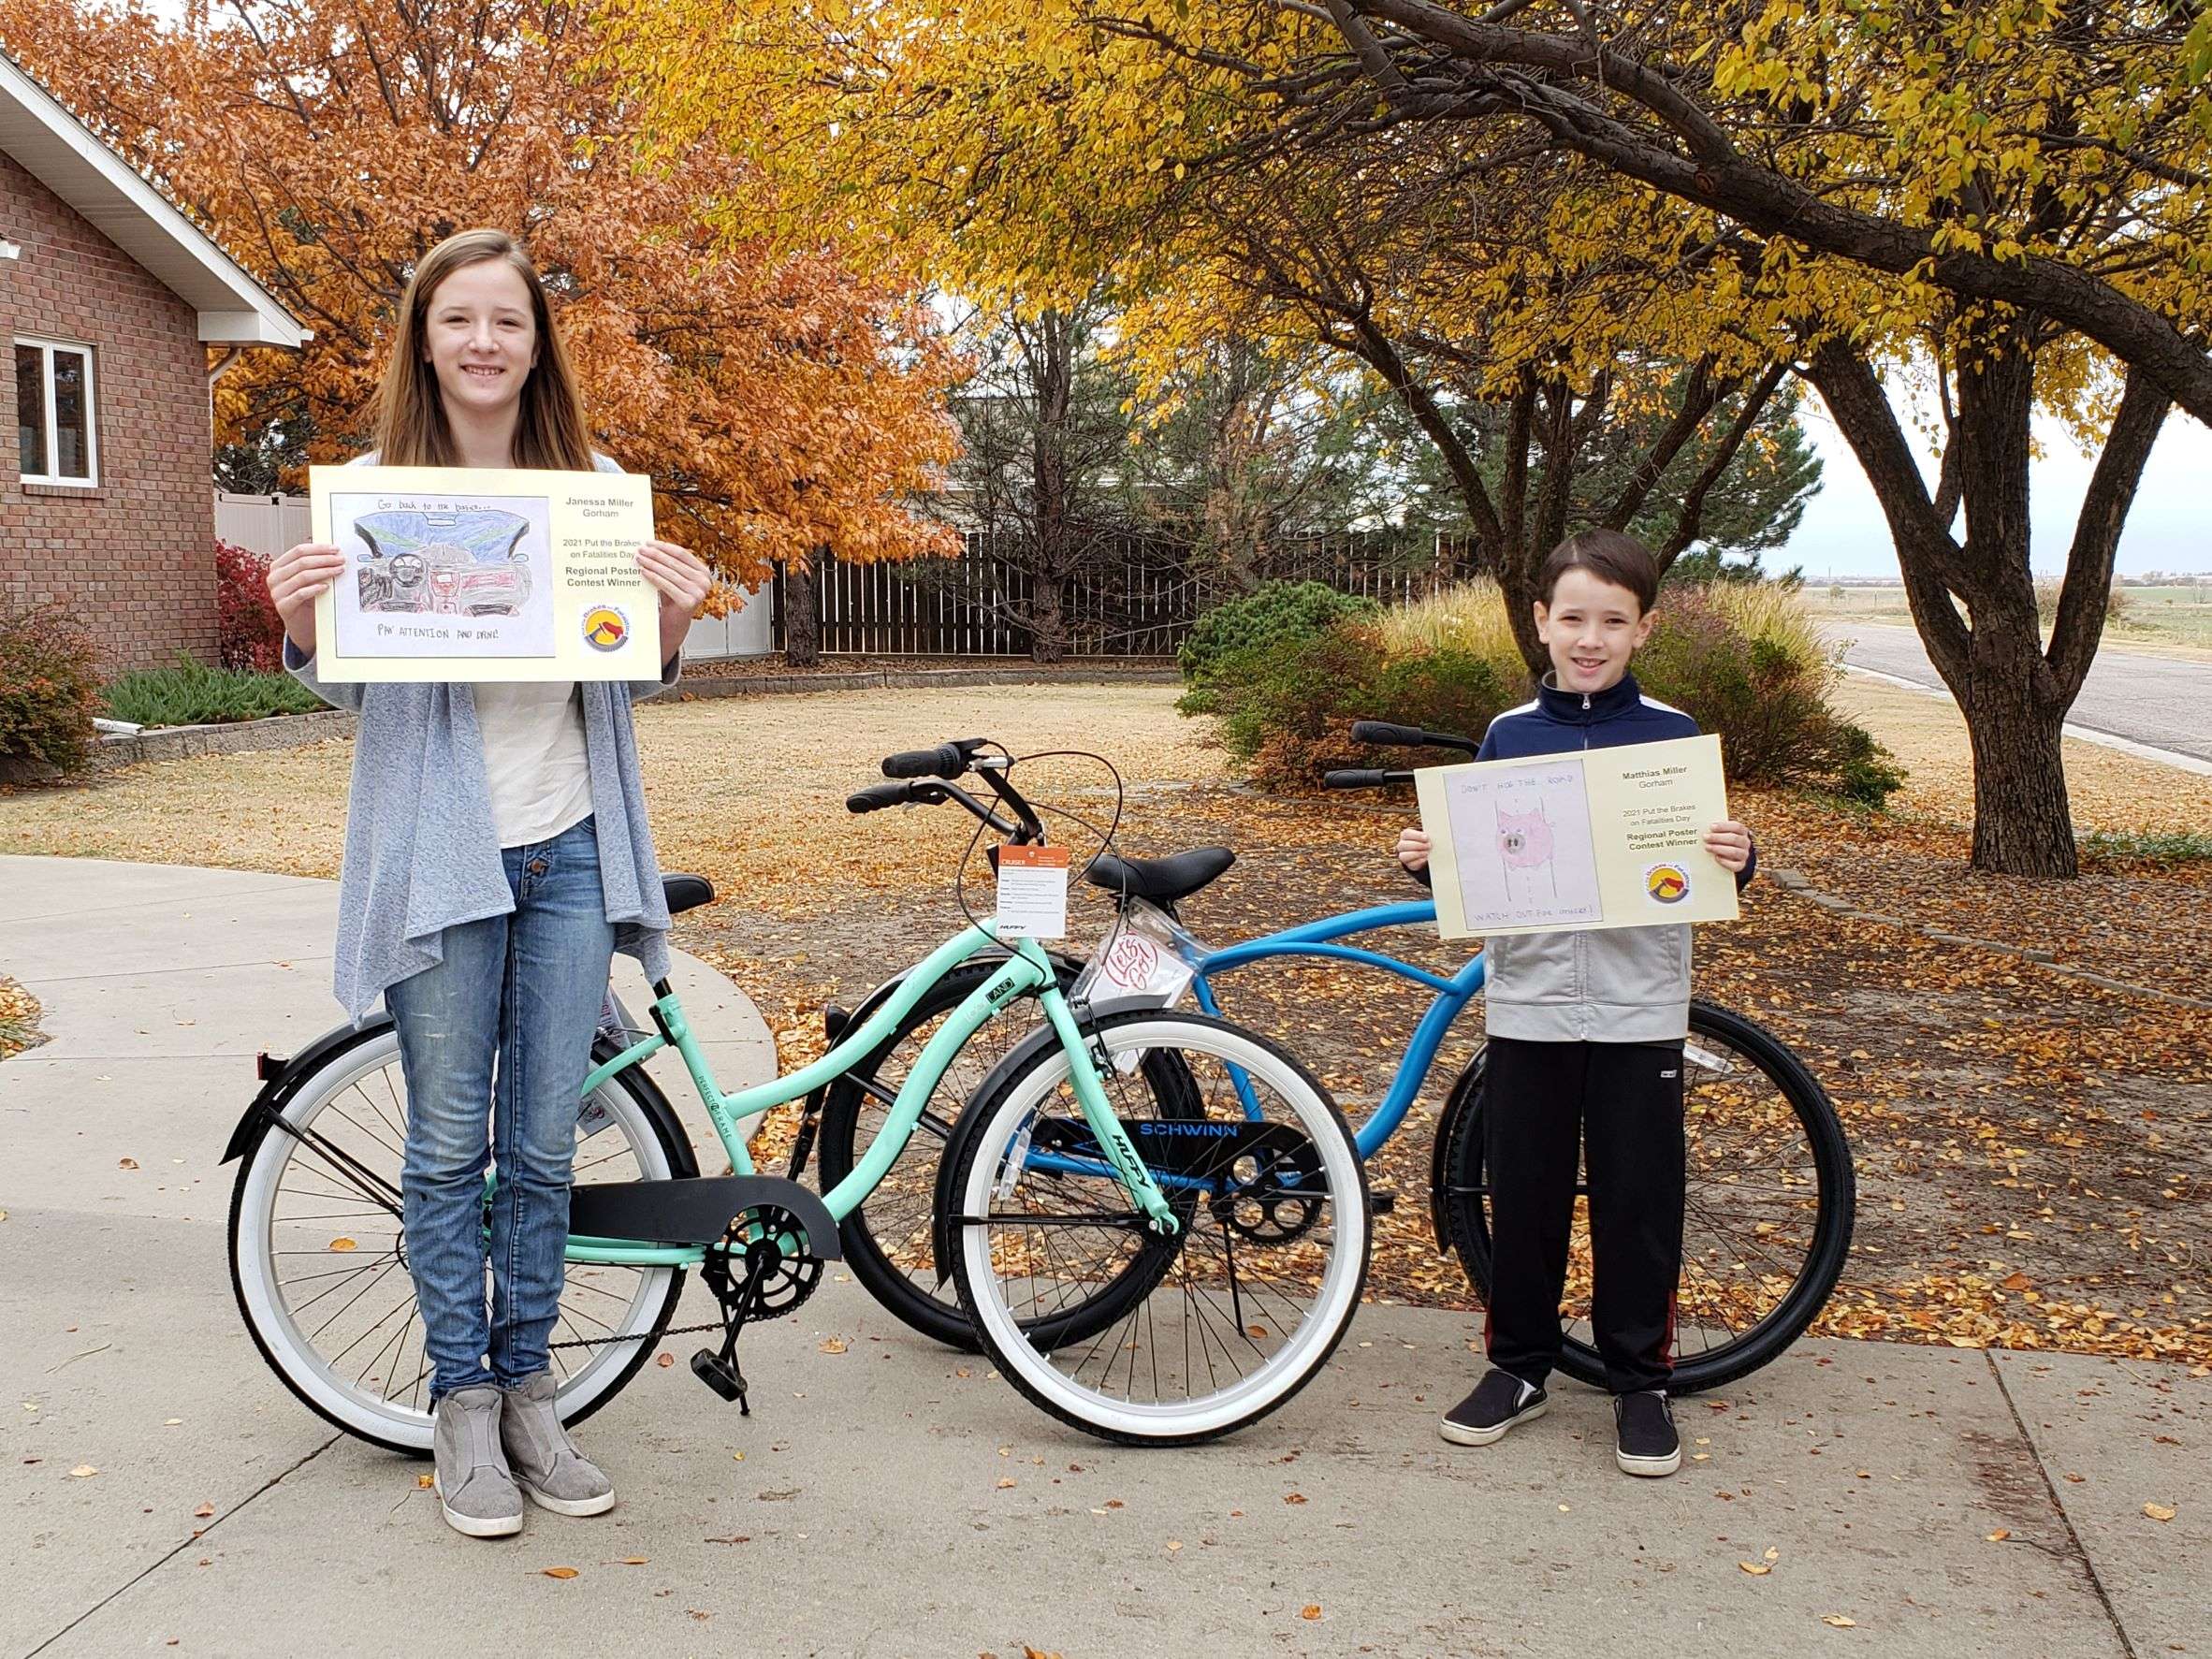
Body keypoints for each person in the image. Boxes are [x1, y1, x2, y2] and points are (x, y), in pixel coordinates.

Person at [265, 228, 713, 1537]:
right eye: (456, 319)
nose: (480, 342)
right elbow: (347, 677)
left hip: (571, 841)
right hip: (442, 853)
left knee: (536, 1145)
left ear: (535, 344)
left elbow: (624, 671)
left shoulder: (593, 494)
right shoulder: (367, 493)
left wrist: (671, 618)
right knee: (448, 1144)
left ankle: (531, 1393)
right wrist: (299, 617)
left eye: (505, 322)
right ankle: (462, 1402)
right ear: (425, 339)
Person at [1395, 529, 1755, 1478]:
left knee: (1641, 1198)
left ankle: (1642, 1382)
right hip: (1531, 1005)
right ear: (1541, 623)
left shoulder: (1673, 737)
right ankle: (1518, 1367)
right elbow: (1485, 874)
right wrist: (1437, 861)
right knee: (1528, 1193)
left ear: (1644, 629)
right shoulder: (1511, 736)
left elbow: (1706, 871)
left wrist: (1735, 860)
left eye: (1612, 621)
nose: (1589, 638)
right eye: (1572, 619)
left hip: (1641, 1007)